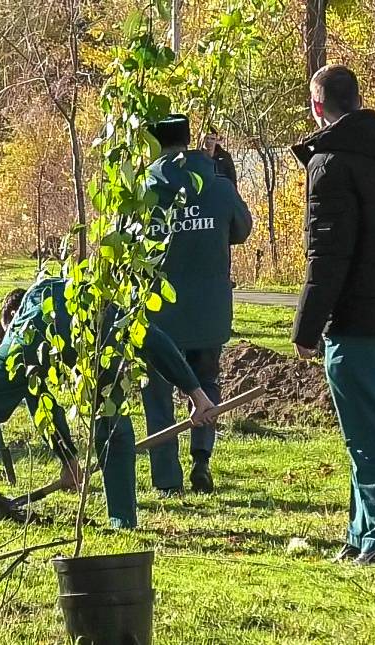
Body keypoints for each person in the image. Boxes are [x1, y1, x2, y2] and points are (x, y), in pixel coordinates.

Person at [0, 278, 219, 529]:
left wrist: (67, 456)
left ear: (11, 315)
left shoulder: (31, 307)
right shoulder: (92, 295)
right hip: (101, 332)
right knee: (112, 424)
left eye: (5, 329)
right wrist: (197, 394)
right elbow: (153, 338)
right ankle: (123, 521)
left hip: (42, 335)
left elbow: (39, 398)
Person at [291, 64, 375, 564]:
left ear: (319, 106)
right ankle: (362, 533)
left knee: (367, 435)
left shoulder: (330, 165)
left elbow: (327, 255)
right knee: (370, 425)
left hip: (352, 319)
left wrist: (307, 326)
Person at [142, 114, 253, 496]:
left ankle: (167, 479)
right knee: (206, 382)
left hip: (160, 314)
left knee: (157, 394)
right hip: (209, 311)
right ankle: (202, 459)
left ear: (154, 143)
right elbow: (241, 230)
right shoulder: (217, 184)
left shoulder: (145, 189)